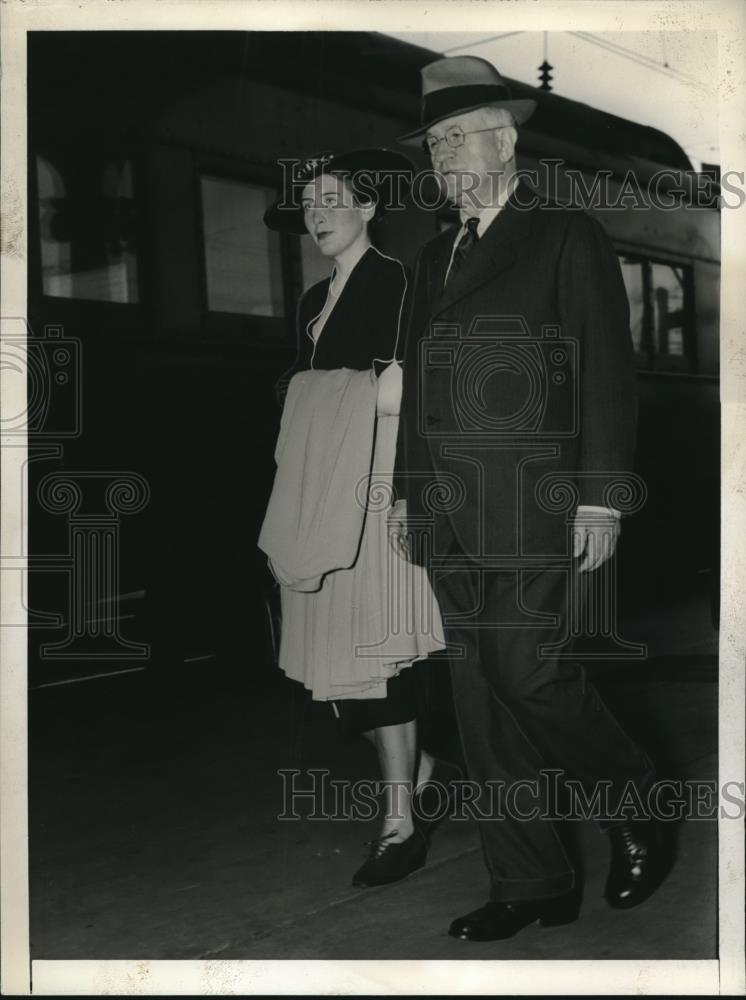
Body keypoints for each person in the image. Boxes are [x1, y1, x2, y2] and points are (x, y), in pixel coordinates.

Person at [391, 56, 673, 940]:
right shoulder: (435, 252)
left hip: (534, 502)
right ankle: (530, 881)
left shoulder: (562, 233)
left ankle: (639, 802)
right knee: (481, 700)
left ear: (505, 140)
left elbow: (604, 374)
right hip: (447, 508)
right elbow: (420, 384)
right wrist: (406, 492)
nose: (442, 156)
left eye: (456, 136)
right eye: (433, 142)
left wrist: (600, 500)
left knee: (527, 671)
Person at [260, 148, 459, 888]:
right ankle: (429, 771)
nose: (317, 214)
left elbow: (408, 393)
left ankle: (400, 822)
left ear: (369, 209)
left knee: (377, 663)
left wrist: (321, 396)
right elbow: (318, 391)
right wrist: (322, 396)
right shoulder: (314, 299)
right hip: (320, 488)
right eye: (309, 203)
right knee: (336, 663)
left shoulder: (399, 282)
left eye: (332, 198)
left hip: (375, 490)